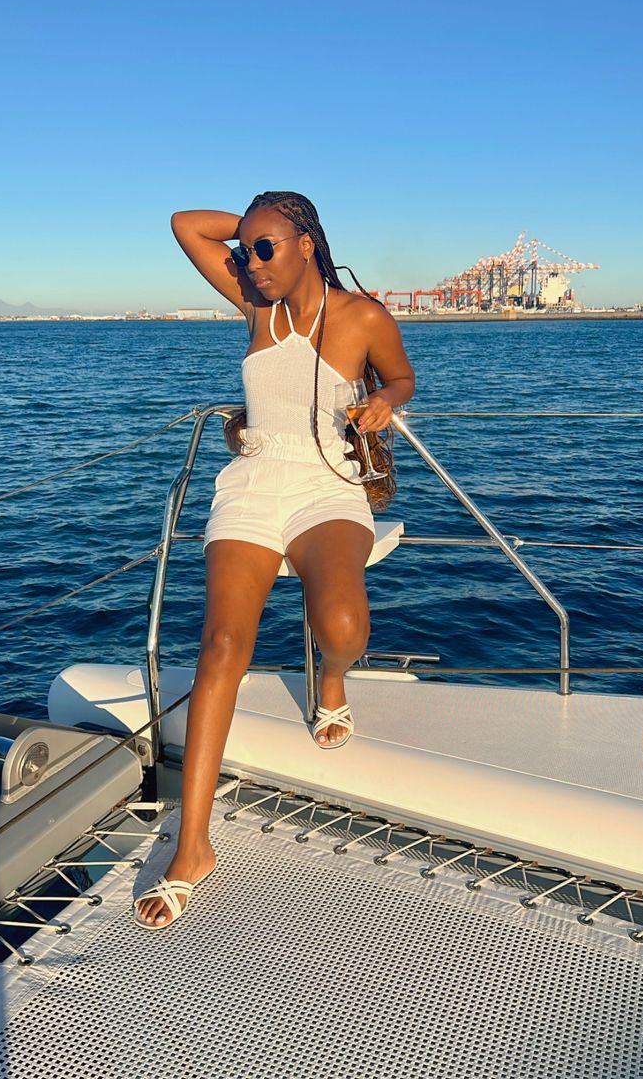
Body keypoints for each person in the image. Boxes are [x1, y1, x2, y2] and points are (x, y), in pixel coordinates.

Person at [134, 191, 415, 929]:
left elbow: (401, 377)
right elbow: (183, 224)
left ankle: (331, 677)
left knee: (344, 623)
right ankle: (192, 846)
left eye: (267, 249)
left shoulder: (363, 316)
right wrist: (259, 226)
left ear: (307, 244)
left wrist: (384, 401)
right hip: (254, 479)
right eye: (247, 251)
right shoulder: (254, 303)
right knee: (222, 645)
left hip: (329, 483)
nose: (251, 263)